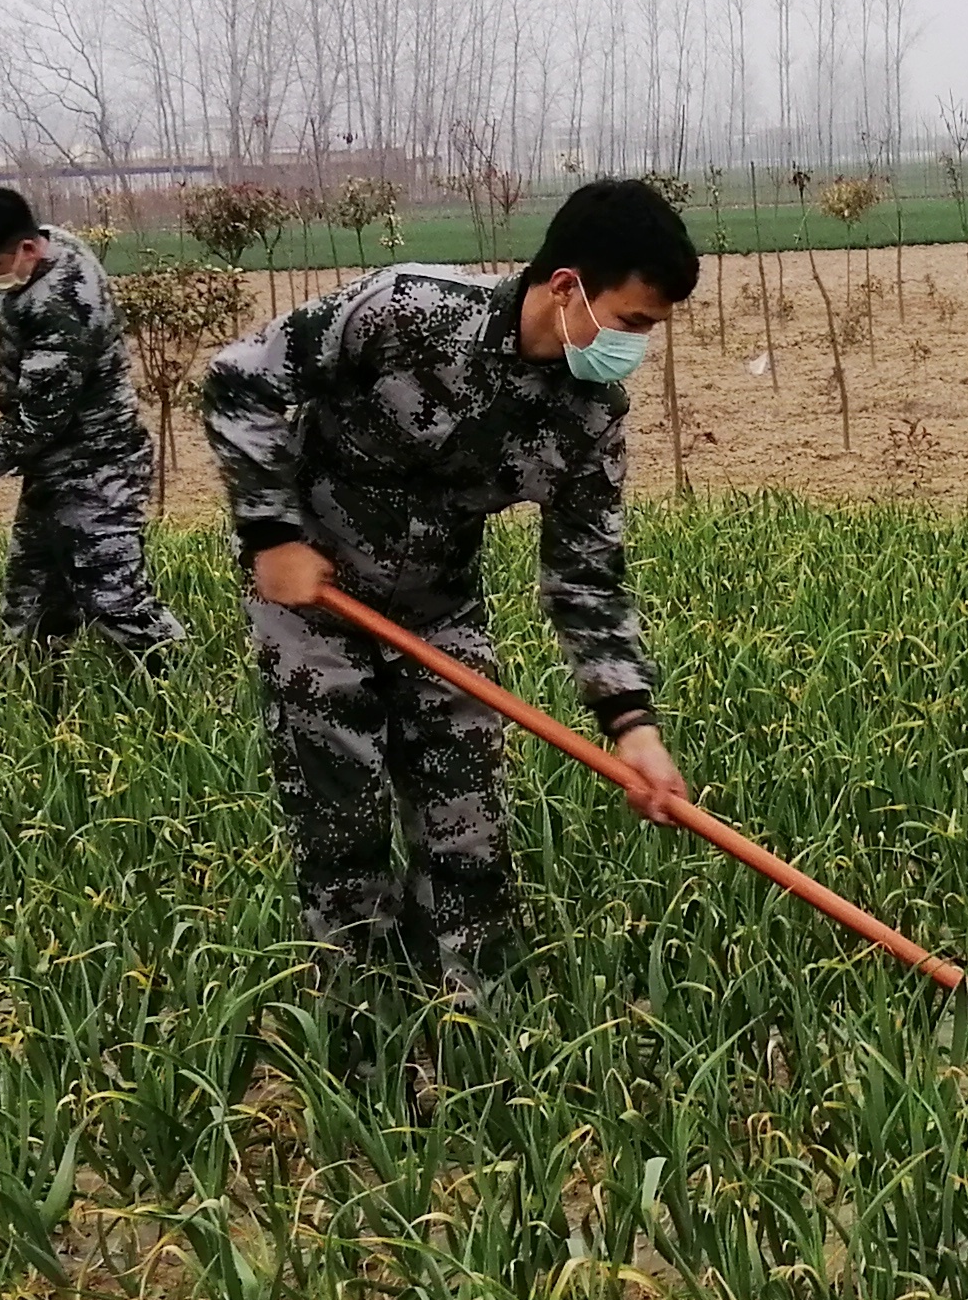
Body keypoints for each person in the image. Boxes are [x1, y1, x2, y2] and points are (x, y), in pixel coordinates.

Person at [202, 176, 697, 1045]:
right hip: (314, 602)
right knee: (343, 828)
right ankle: (357, 1032)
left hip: (439, 611)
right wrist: (270, 531)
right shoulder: (407, 312)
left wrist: (633, 724)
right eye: (631, 322)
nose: (636, 347)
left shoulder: (588, 416)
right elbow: (239, 379)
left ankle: (478, 1030)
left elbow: (586, 575)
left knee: (468, 828)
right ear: (567, 286)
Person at [0, 184, 186, 677]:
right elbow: (6, 292)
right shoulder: (43, 245)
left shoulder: (64, 303)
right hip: (52, 465)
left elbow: (38, 421)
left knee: (114, 600)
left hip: (99, 464)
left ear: (27, 250)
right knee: (31, 604)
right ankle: (35, 701)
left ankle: (184, 692)